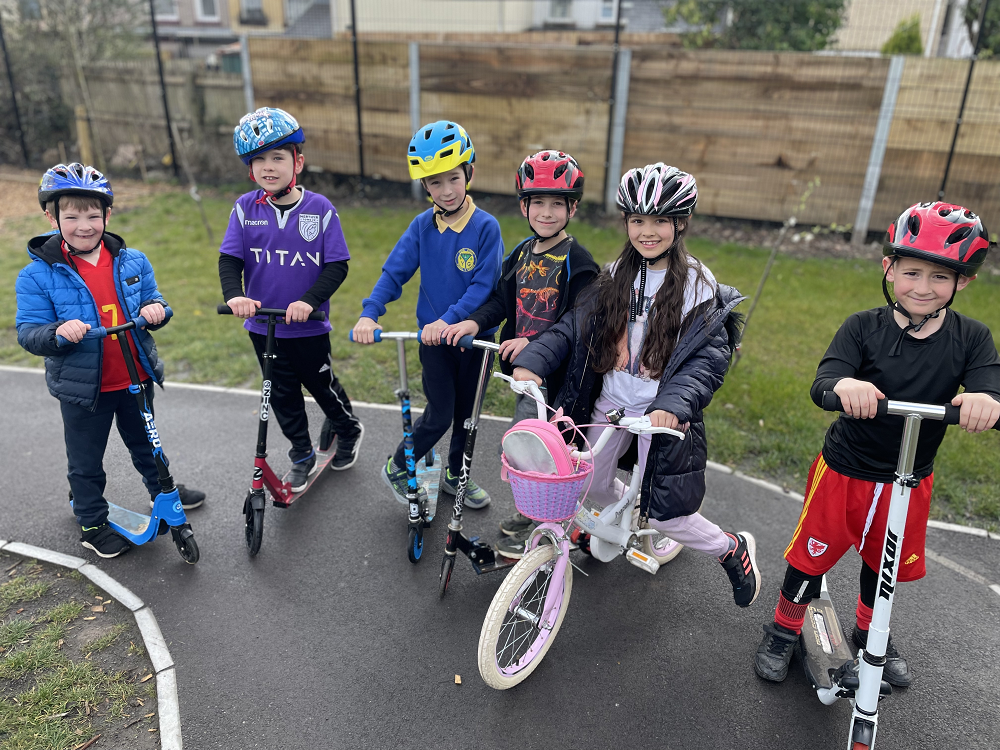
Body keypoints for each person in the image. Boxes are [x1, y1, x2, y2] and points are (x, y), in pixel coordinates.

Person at [753, 201, 1000, 687]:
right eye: (912, 272)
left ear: (963, 282)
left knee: (881, 564)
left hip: (908, 479)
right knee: (810, 557)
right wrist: (845, 387)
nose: (923, 288)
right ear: (888, 267)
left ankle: (871, 635)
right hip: (845, 470)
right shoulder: (863, 326)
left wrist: (985, 400)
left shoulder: (972, 338)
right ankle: (783, 629)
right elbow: (824, 381)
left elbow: (990, 387)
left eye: (939, 278)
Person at [509, 163, 760, 607]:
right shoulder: (613, 276)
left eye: (661, 221)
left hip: (660, 415)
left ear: (680, 224)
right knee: (589, 484)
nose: (648, 231)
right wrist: (533, 361)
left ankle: (731, 549)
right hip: (611, 402)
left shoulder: (698, 286)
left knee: (668, 516)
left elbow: (706, 359)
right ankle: (631, 510)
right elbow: (572, 326)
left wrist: (673, 405)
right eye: (638, 220)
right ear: (626, 222)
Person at [15, 163, 205, 558]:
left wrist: (157, 310)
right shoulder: (37, 276)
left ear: (108, 215)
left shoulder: (132, 261)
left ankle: (163, 491)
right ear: (51, 217)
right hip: (86, 387)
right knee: (86, 460)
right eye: (71, 216)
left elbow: (156, 301)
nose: (84, 225)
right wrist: (57, 333)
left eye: (92, 215)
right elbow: (29, 332)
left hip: (134, 375)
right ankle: (91, 521)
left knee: (148, 444)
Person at [441, 150, 599, 553]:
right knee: (533, 446)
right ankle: (540, 514)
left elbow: (577, 320)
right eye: (538, 202)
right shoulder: (522, 254)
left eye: (557, 204)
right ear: (525, 205)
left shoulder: (578, 262)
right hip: (523, 374)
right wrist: (475, 322)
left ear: (573, 208)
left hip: (557, 378)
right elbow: (500, 300)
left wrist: (533, 342)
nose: (546, 212)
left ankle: (549, 523)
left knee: (543, 448)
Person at [352, 120, 503, 509]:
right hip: (435, 342)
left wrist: (449, 320)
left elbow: (483, 286)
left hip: (474, 340)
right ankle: (399, 465)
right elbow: (394, 272)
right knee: (439, 414)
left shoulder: (486, 227)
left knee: (468, 418)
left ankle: (457, 475)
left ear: (468, 173)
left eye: (453, 178)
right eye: (435, 183)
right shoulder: (422, 226)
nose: (447, 190)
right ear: (425, 187)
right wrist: (370, 313)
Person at [220, 107, 363, 490]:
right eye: (259, 160)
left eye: (278, 157)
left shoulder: (319, 209)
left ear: (298, 161)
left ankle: (347, 429)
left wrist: (308, 301)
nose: (269, 166)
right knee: (282, 396)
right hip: (263, 325)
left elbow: (336, 266)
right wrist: (235, 295)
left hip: (307, 327)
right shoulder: (245, 209)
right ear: (250, 168)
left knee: (321, 387)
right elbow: (230, 259)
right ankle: (301, 453)